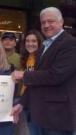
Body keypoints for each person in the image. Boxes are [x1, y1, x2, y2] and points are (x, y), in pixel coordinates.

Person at [11, 7, 76, 135]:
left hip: (57, 117)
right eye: (43, 22)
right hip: (39, 116)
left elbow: (56, 75)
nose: (46, 25)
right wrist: (22, 104)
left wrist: (24, 74)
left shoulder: (70, 44)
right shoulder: (45, 46)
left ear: (61, 22)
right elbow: (36, 81)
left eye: (50, 21)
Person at [19, 29, 43, 135]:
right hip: (26, 100)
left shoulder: (43, 58)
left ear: (39, 42)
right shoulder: (26, 57)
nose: (30, 44)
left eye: (34, 41)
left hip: (38, 102)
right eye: (27, 41)